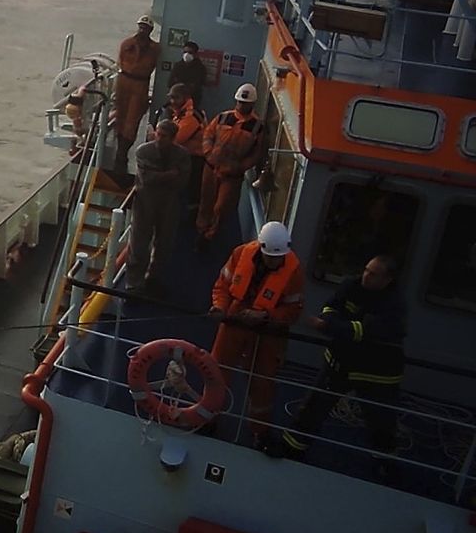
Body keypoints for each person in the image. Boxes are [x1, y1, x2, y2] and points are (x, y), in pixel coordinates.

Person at [279, 256, 405, 473]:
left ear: (387, 280)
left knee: (381, 421)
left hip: (376, 372)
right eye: (366, 269)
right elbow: (331, 306)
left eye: (373, 274)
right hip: (341, 361)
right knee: (313, 407)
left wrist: (325, 326)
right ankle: (292, 448)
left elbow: (362, 332)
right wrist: (331, 321)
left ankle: (386, 463)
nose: (366, 275)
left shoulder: (394, 305)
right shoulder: (352, 285)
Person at [209, 221, 305, 450]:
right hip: (235, 318)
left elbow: (294, 310)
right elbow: (222, 286)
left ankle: (259, 432)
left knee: (263, 382)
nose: (274, 262)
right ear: (260, 248)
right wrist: (220, 308)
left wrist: (265, 314)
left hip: (269, 330)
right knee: (216, 371)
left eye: (278, 258)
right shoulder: (240, 254)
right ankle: (208, 417)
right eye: (270, 257)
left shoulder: (294, 272)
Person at [196, 83, 264, 250]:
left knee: (221, 207)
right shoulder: (223, 117)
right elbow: (208, 134)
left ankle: (210, 236)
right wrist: (208, 152)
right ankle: (200, 231)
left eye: (245, 103)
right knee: (206, 201)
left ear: (252, 104)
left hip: (232, 176)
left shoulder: (257, 127)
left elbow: (257, 153)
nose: (241, 105)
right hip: (211, 167)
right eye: (239, 102)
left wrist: (241, 167)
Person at [125, 119, 189, 296]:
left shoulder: (182, 155)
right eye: (158, 134)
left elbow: (182, 181)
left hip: (169, 205)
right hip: (145, 204)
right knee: (138, 244)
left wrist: (160, 177)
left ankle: (153, 279)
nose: (160, 139)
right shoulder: (143, 151)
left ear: (173, 138)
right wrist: (169, 175)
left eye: (165, 136)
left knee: (165, 245)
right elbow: (146, 179)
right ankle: (133, 284)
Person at [113, 14, 161, 174]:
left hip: (140, 84)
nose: (142, 30)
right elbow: (120, 62)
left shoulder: (155, 49)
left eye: (145, 28)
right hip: (123, 82)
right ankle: (120, 152)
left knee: (132, 120)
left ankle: (123, 153)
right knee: (119, 116)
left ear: (150, 30)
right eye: (140, 26)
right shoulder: (127, 44)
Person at [165, 83, 206, 210]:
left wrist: (155, 136)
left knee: (189, 198)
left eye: (176, 98)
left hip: (194, 161)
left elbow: (177, 138)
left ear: (185, 98)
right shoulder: (179, 114)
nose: (172, 101)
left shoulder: (192, 116)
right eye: (171, 97)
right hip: (185, 158)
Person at [167, 41, 207, 107]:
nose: (187, 54)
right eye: (185, 52)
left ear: (195, 54)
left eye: (190, 52)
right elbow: (170, 83)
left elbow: (197, 85)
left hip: (192, 101)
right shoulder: (178, 66)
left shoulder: (200, 68)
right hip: (176, 101)